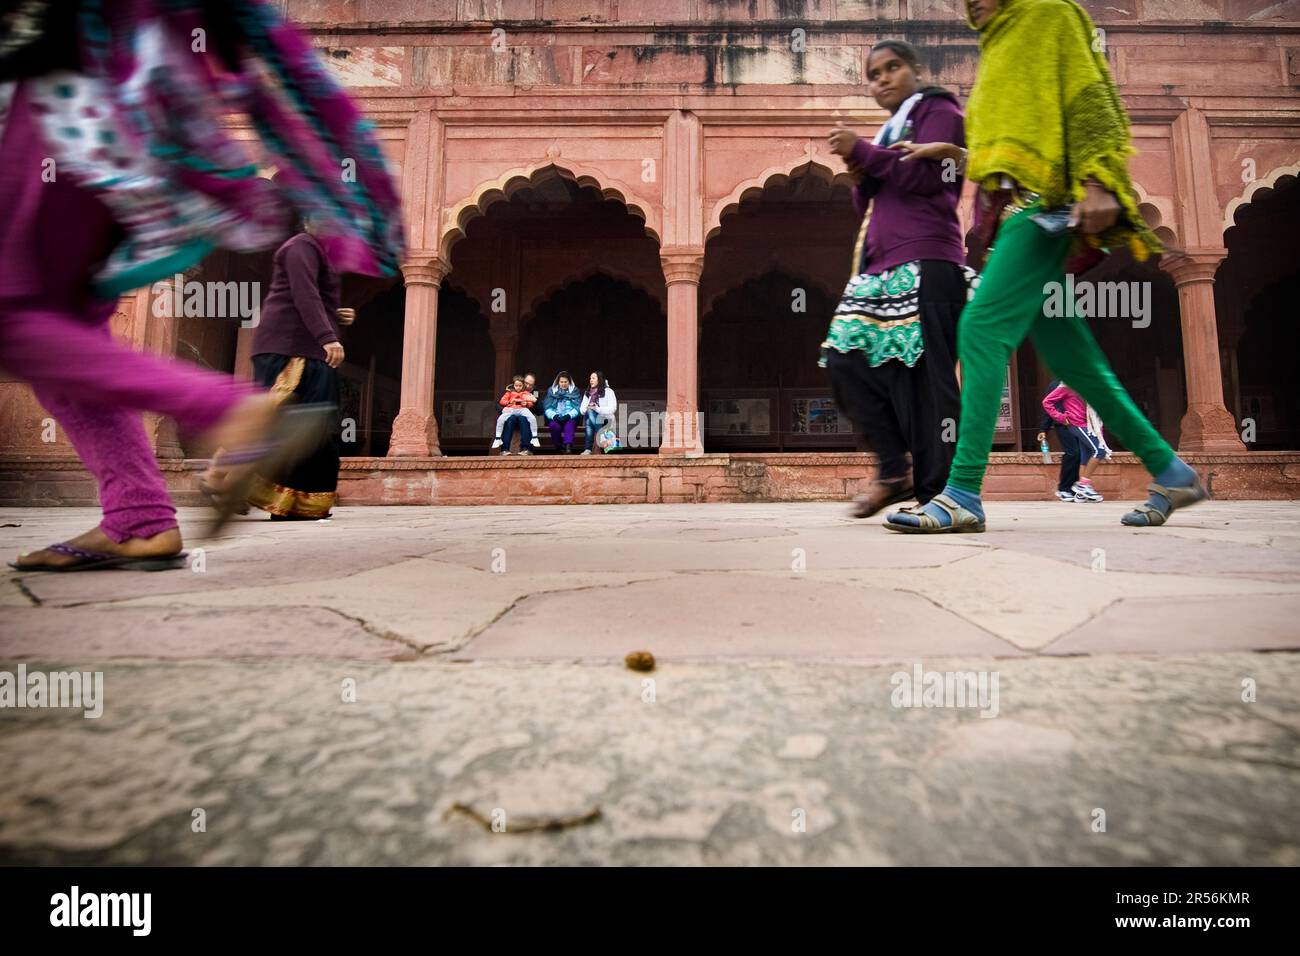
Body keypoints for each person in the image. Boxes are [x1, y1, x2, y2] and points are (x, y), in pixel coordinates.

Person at [1, 0, 403, 570]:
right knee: (66, 342)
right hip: (103, 124)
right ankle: (138, 517)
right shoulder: (298, 247)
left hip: (59, 117)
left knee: (17, 323)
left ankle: (232, 410)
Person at [885, 0, 1205, 533]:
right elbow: (1012, 146)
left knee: (981, 329)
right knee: (1077, 363)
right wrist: (951, 151)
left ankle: (963, 490)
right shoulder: (998, 44)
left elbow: (1090, 96)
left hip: (1047, 207)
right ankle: (1170, 471)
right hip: (1017, 217)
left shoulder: (1051, 16)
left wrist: (1100, 180)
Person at [825, 39, 974, 518]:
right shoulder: (890, 129)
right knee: (847, 362)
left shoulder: (938, 109)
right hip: (880, 271)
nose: (883, 78)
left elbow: (935, 178)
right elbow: (870, 205)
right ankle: (894, 468)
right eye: (874, 74)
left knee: (927, 386)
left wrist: (866, 153)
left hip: (928, 261)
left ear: (915, 70)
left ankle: (940, 496)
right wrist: (861, 169)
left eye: (893, 68)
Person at [209, 219, 351, 521]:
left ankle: (296, 503)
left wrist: (334, 315)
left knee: (310, 425)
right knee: (278, 422)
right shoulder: (301, 246)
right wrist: (328, 337)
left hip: (304, 349)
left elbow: (307, 297)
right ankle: (219, 479)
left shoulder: (318, 253)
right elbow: (304, 294)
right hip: (290, 350)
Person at [1041, 382, 1104, 502]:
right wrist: (1054, 421)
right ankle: (1080, 485)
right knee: (1099, 450)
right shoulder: (1064, 384)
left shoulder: (1085, 383)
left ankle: (1080, 493)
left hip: (1089, 424)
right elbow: (1047, 402)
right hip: (1071, 423)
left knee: (1083, 455)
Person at [1037, 378, 1081, 502]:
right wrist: (1043, 429)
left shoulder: (1078, 382)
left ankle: (1075, 488)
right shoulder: (1056, 384)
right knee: (1073, 453)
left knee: (1081, 455)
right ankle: (1064, 488)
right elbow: (1048, 407)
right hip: (1063, 424)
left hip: (1080, 424)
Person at [490, 372, 540, 453]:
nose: (528, 386)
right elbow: (498, 403)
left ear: (534, 385)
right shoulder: (510, 390)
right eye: (526, 383)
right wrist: (504, 409)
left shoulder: (535, 392)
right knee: (510, 419)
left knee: (524, 419)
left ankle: (526, 449)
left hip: (524, 415)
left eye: (531, 385)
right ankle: (504, 449)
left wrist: (534, 401)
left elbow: (540, 411)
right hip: (511, 412)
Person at [542, 371, 582, 454]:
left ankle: (568, 446)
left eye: (565, 382)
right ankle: (559, 446)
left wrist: (568, 416)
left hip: (570, 417)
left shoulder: (574, 391)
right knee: (554, 426)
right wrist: (554, 416)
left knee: (569, 425)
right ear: (558, 382)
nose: (563, 384)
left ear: (569, 382)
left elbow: (578, 407)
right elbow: (547, 407)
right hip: (556, 417)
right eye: (561, 382)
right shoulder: (552, 391)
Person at [580, 371, 618, 455]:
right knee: (590, 411)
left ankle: (588, 449)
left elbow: (613, 408)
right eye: (590, 378)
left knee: (589, 421)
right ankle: (601, 438)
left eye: (593, 378)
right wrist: (589, 408)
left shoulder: (608, 391)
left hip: (605, 418)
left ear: (599, 380)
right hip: (592, 417)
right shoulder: (587, 393)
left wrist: (597, 409)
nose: (591, 380)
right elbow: (582, 410)